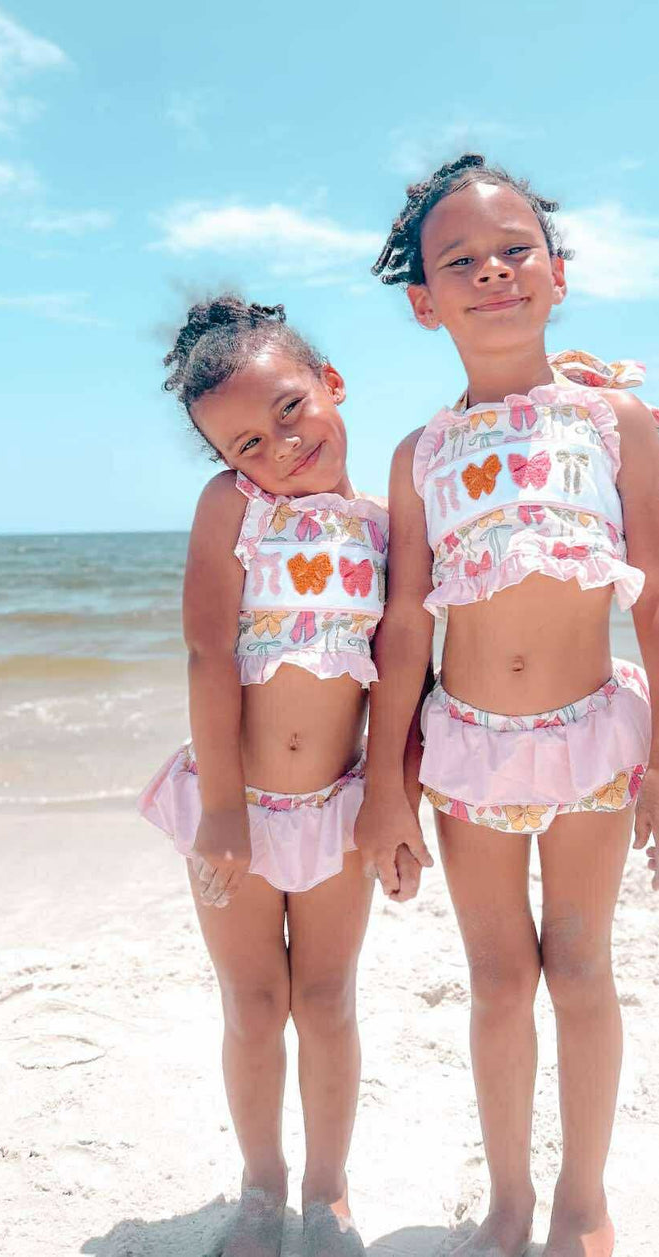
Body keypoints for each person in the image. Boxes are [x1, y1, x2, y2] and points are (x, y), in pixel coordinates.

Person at [357, 156, 659, 1257]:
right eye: (460, 261)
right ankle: (508, 1198)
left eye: (515, 251)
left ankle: (581, 1198)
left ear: (557, 273)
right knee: (500, 979)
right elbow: (405, 624)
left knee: (583, 964)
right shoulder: (420, 454)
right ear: (423, 301)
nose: (492, 271)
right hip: (465, 751)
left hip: (596, 730)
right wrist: (382, 791)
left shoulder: (612, 423)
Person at [138, 295, 426, 1257]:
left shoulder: (390, 525)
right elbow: (207, 653)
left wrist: (393, 798)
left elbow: (406, 675)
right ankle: (262, 1189)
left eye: (291, 410)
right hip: (238, 808)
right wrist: (222, 806)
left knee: (329, 999)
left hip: (339, 810)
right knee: (255, 1004)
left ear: (332, 383)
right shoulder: (235, 510)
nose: (279, 448)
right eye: (247, 443)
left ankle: (328, 1193)